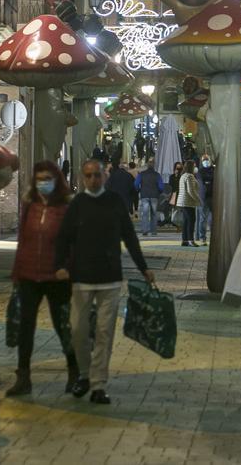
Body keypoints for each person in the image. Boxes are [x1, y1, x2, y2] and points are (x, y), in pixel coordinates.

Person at [54, 160, 156, 405]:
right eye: (88, 175)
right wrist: (59, 266)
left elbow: (130, 238)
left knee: (104, 332)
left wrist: (143, 268)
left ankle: (98, 383)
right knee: (78, 330)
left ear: (104, 176)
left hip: (109, 277)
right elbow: (64, 238)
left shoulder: (114, 203)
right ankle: (84, 374)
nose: (92, 180)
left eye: (96, 175)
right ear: (82, 177)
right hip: (81, 278)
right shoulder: (77, 204)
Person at [7, 161, 79, 396]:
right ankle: (23, 377)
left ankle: (74, 371)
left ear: (56, 180)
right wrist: (17, 272)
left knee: (63, 325)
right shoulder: (30, 205)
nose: (43, 183)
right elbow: (23, 241)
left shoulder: (65, 209)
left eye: (47, 178)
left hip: (56, 275)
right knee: (25, 327)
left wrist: (68, 269)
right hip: (29, 274)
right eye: (39, 179)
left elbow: (73, 243)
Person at [134, 158, 165, 236]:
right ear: (154, 166)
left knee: (145, 213)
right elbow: (161, 186)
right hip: (154, 196)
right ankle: (153, 231)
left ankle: (145, 230)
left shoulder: (141, 174)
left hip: (144, 195)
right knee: (154, 213)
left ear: (147, 166)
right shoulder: (157, 175)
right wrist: (159, 192)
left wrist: (139, 190)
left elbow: (136, 184)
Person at [177, 161, 202, 247]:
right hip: (188, 202)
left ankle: (185, 240)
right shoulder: (190, 176)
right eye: (194, 166)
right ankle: (191, 240)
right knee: (191, 221)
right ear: (191, 167)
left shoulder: (183, 175)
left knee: (186, 221)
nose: (195, 167)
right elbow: (191, 191)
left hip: (183, 202)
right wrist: (198, 200)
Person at [196, 155, 215, 244]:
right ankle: (202, 237)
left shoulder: (213, 170)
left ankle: (212, 236)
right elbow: (201, 184)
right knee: (203, 219)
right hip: (203, 198)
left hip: (212, 197)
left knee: (212, 219)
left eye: (207, 160)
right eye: (204, 160)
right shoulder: (200, 172)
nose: (206, 161)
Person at [162, 161, 184, 227]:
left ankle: (177, 222)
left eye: (179, 168)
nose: (178, 170)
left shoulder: (183, 176)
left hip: (180, 194)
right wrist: (175, 177)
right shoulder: (172, 176)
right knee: (171, 208)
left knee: (178, 209)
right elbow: (170, 185)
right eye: (177, 168)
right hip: (174, 194)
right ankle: (171, 221)